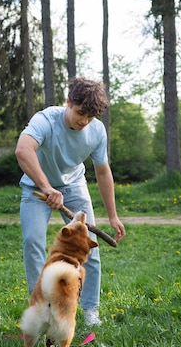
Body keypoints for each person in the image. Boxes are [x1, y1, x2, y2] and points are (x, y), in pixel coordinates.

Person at [15, 77, 126, 326]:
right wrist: (46, 187)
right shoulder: (46, 119)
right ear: (68, 102)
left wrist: (113, 215)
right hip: (37, 188)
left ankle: (90, 310)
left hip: (74, 186)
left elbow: (103, 171)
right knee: (33, 242)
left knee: (89, 245)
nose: (83, 121)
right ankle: (41, 308)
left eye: (90, 116)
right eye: (80, 113)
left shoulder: (96, 131)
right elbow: (23, 150)